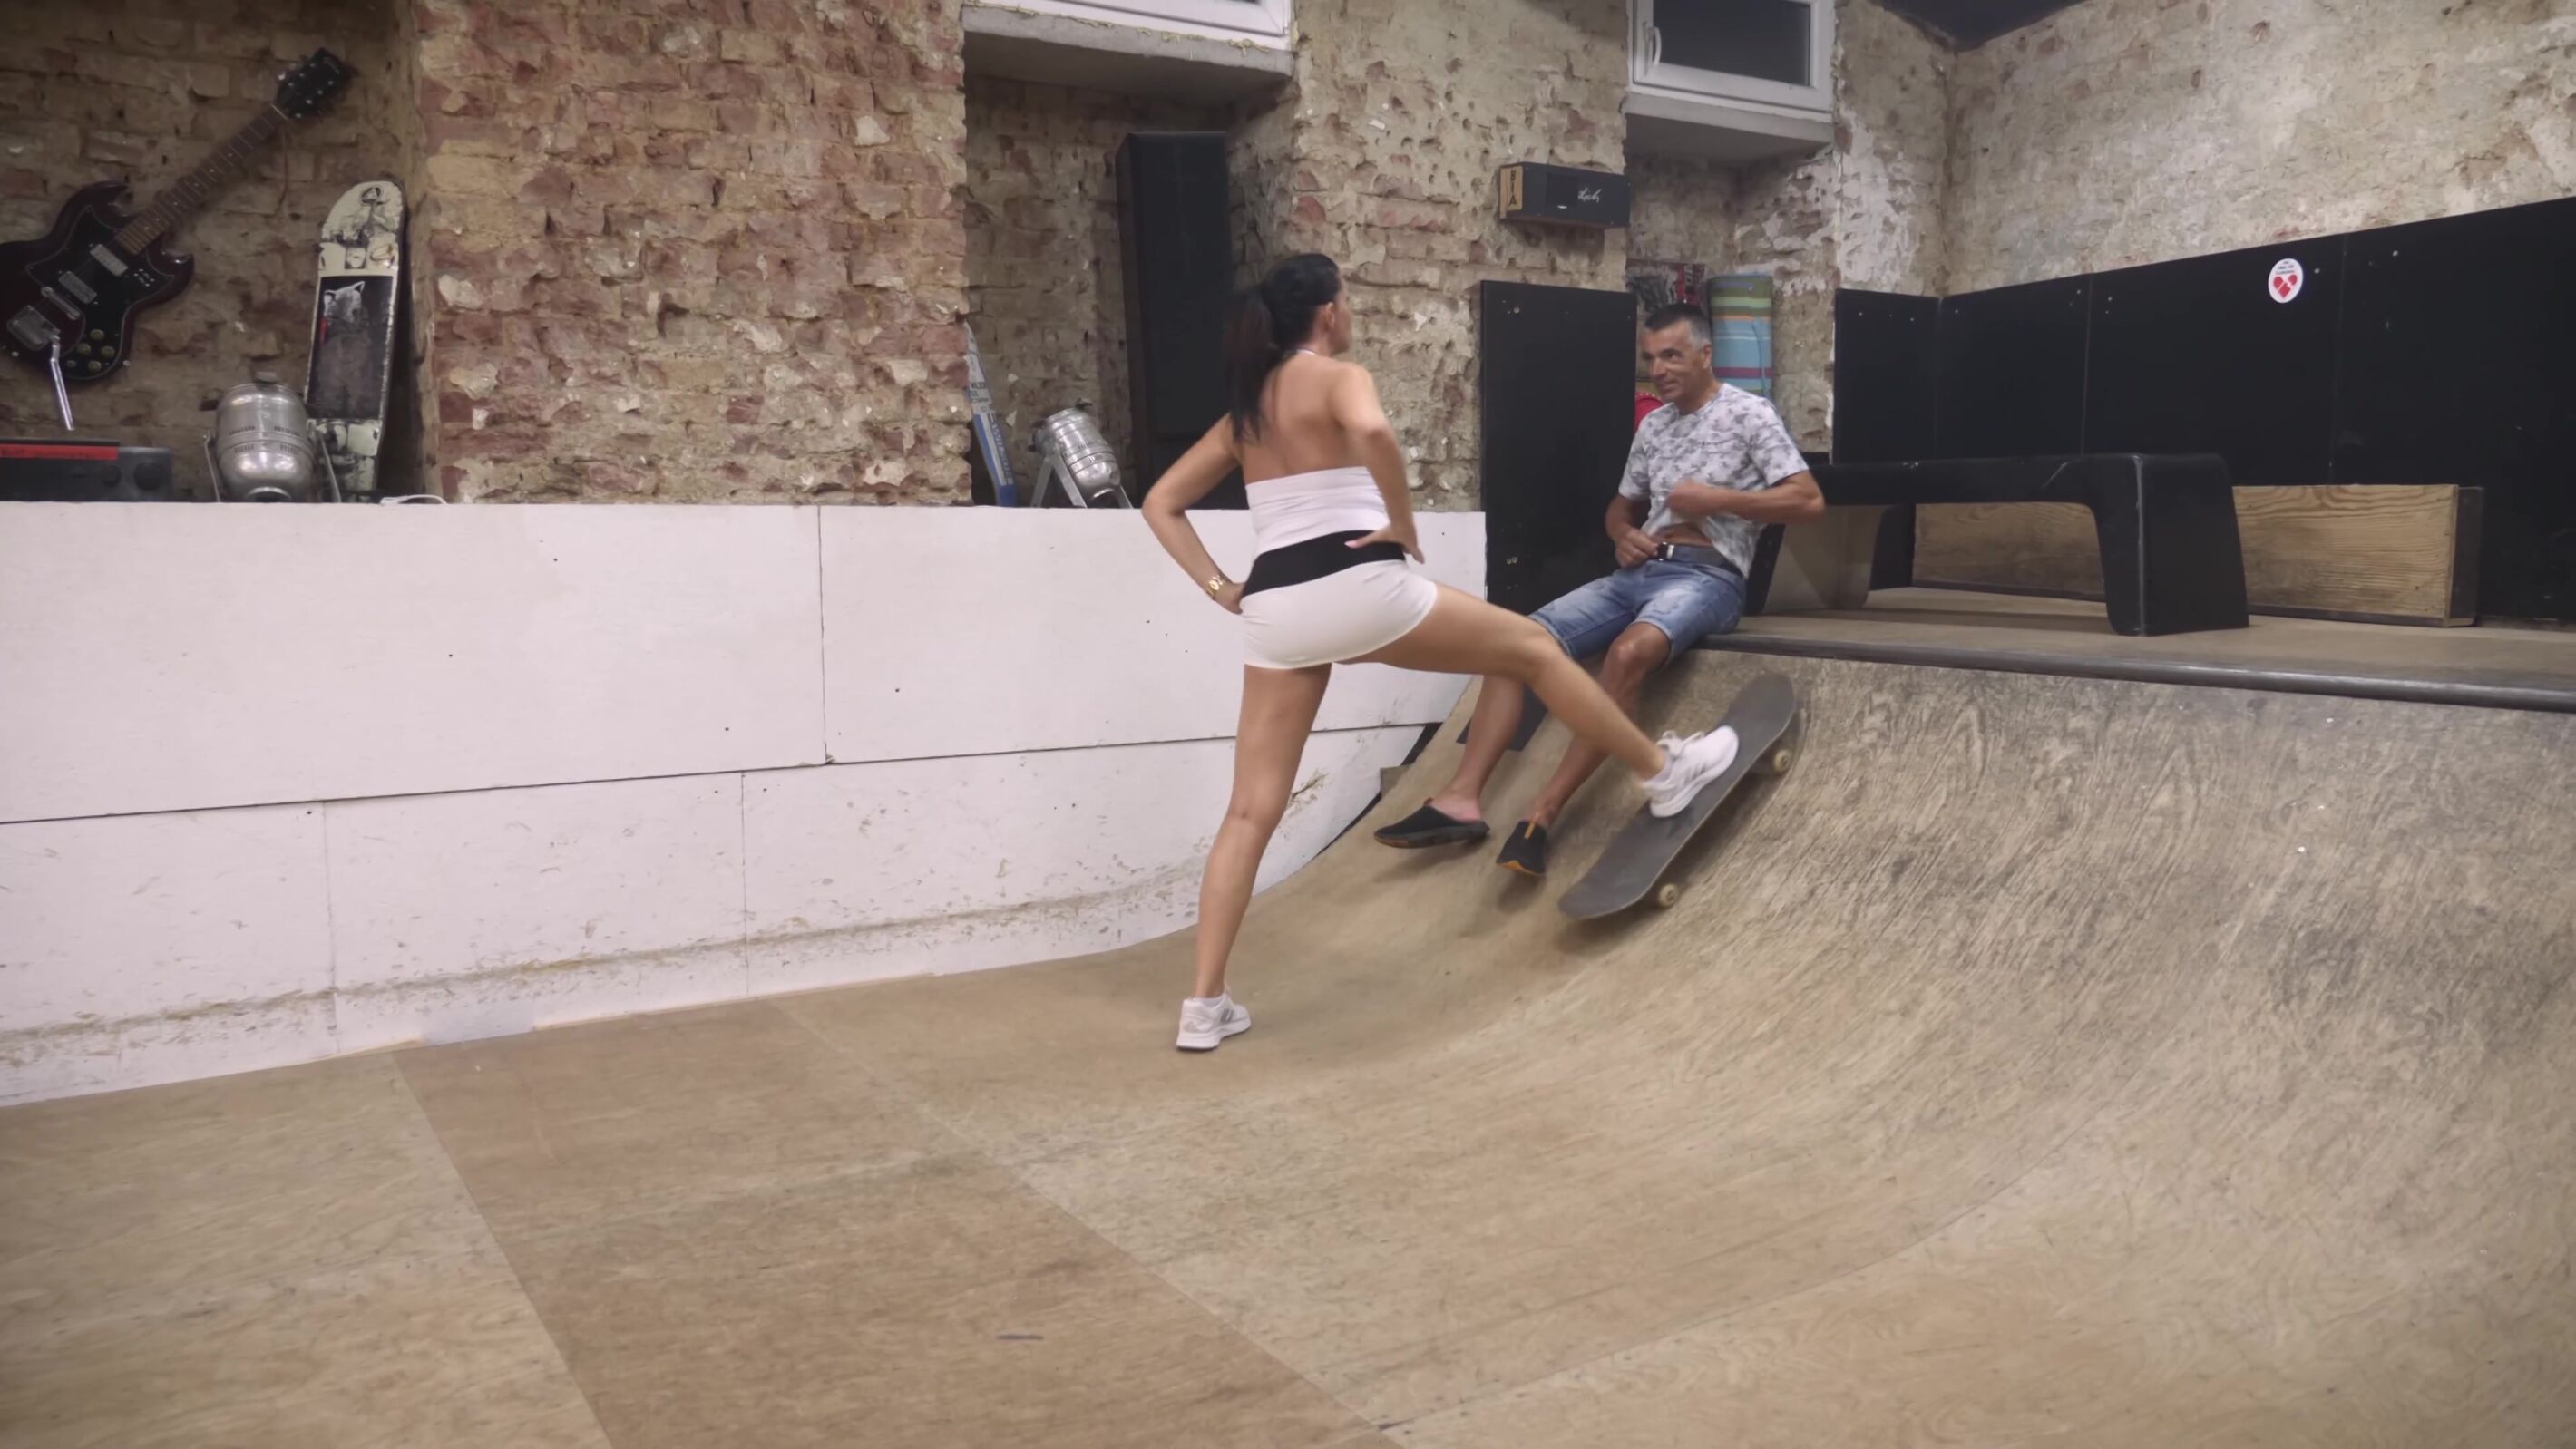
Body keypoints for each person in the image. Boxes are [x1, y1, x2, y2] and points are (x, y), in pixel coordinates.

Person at [1141, 258, 1749, 1052]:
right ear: (1328, 314)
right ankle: (1664, 773)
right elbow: (1372, 431)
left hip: (1277, 611)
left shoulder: (1245, 412)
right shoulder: (1336, 376)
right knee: (1535, 647)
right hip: (1357, 584)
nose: (1349, 312)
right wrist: (1400, 520)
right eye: (1347, 301)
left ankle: (1204, 1005)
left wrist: (1223, 588)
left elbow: (1161, 502)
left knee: (1250, 810)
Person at [1371, 301, 1825, 877]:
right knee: (1512, 641)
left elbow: (1808, 501)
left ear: (1706, 355)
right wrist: (1622, 536)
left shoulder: (1749, 414)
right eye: (1651, 358)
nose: (1659, 369)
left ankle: (1542, 816)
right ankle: (1460, 800)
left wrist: (1720, 500)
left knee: (1628, 653)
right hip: (1637, 572)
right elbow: (1620, 507)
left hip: (1709, 576)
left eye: (1672, 356)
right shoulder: (1654, 425)